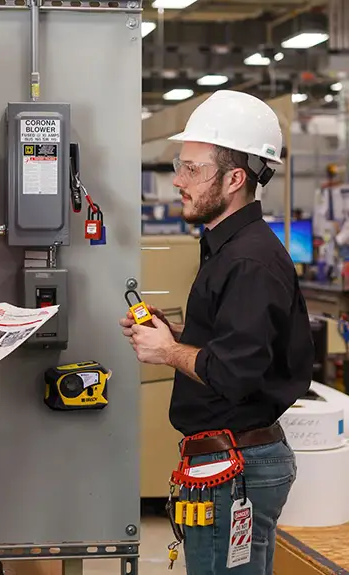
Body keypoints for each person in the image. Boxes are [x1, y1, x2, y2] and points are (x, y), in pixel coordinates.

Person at [120, 90, 314, 574]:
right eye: (179, 167)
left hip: (235, 472)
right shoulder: (227, 249)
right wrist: (177, 334)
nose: (178, 181)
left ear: (234, 179)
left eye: (192, 169)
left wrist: (167, 352)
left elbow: (235, 371)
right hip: (230, 465)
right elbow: (233, 342)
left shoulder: (248, 259)